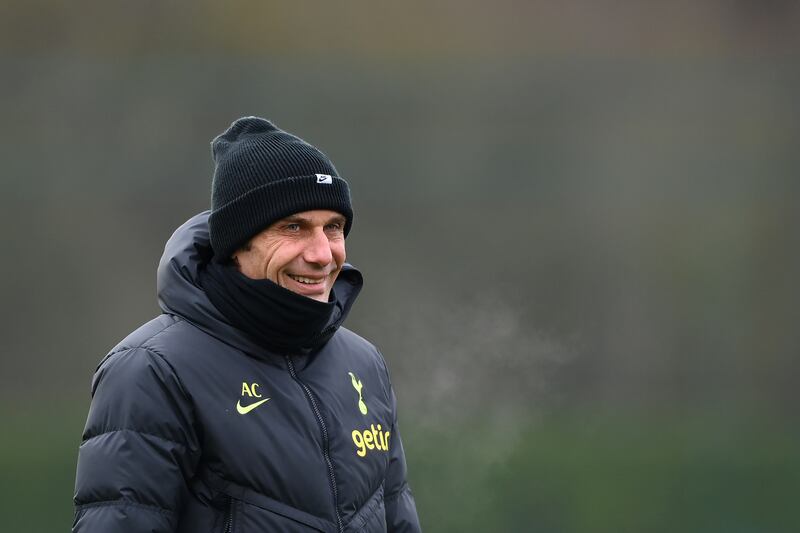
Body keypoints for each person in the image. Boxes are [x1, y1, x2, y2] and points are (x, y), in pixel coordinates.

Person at [73, 117, 422, 532]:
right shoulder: (150, 370)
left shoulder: (363, 364)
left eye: (334, 228)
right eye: (293, 227)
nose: (322, 254)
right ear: (238, 242)